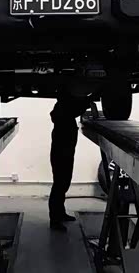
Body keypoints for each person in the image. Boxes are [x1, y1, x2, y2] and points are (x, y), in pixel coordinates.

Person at [49, 94, 90, 231]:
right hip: (62, 154)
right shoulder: (63, 111)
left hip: (65, 154)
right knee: (60, 185)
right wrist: (88, 100)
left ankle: (60, 213)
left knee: (63, 184)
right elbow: (75, 110)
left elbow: (74, 110)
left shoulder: (62, 110)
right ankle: (55, 220)